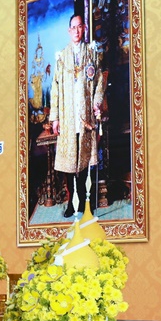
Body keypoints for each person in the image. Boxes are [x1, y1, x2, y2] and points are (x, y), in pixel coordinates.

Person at [49, 13, 106, 218]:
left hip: (85, 117)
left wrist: (97, 103)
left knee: (83, 161)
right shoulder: (61, 57)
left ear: (84, 29)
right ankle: (71, 202)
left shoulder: (91, 53)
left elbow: (99, 82)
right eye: (73, 27)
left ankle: (83, 201)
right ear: (69, 31)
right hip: (67, 117)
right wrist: (55, 118)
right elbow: (55, 89)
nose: (76, 30)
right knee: (69, 162)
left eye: (79, 26)